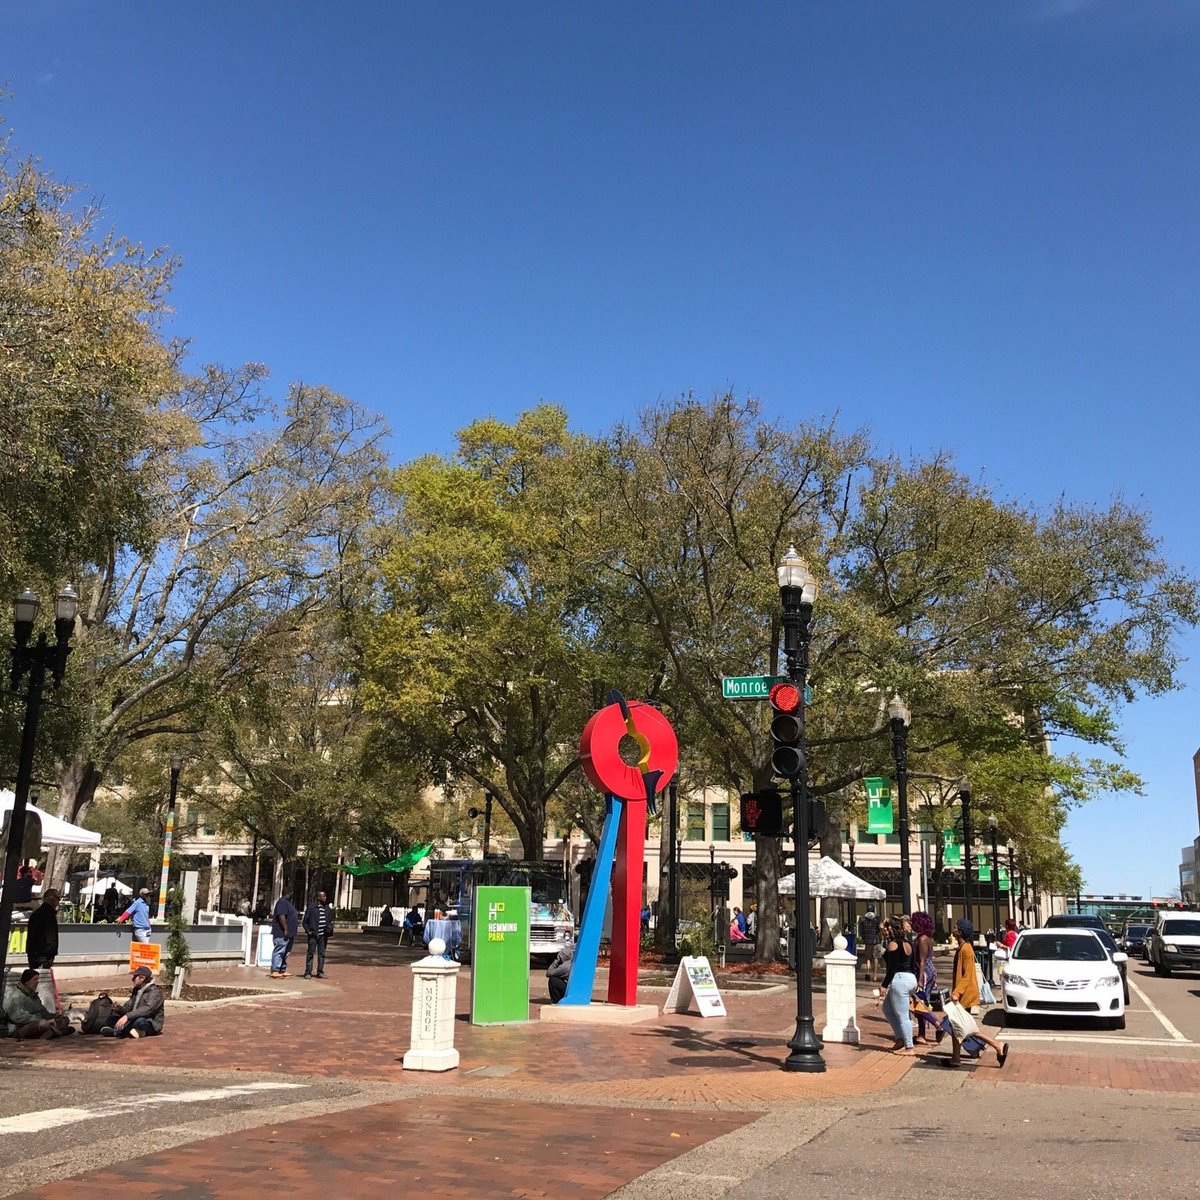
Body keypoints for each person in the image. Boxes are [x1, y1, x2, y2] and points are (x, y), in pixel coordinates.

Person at [945, 919, 1008, 1069]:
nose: (952, 929)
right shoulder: (963, 948)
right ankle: (956, 1058)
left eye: (955, 927)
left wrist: (956, 993)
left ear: (960, 932)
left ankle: (997, 1045)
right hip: (963, 993)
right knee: (957, 1027)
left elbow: (966, 976)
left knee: (966, 1028)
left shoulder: (966, 949)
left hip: (964, 995)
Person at [880, 917, 919, 1055]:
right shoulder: (908, 943)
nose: (884, 930)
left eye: (886, 927)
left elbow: (892, 967)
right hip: (910, 978)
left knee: (903, 1015)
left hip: (900, 979)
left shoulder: (893, 944)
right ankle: (900, 1038)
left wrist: (884, 985)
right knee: (887, 1008)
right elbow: (914, 963)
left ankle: (909, 1046)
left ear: (891, 929)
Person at [4, 969, 72, 1039]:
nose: (37, 982)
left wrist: (53, 1016)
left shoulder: (34, 995)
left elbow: (42, 1011)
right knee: (43, 1024)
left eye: (38, 980)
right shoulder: (16, 996)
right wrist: (38, 1019)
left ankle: (52, 1032)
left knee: (65, 1019)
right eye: (35, 980)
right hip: (20, 1027)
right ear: (27, 982)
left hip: (40, 1021)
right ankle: (55, 1032)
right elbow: (16, 1017)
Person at [101, 965, 165, 1038]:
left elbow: (148, 1009)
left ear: (142, 978)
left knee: (140, 1021)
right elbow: (128, 1007)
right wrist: (119, 1009)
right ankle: (137, 1031)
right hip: (133, 1018)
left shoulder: (155, 993)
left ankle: (117, 1032)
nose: (132, 979)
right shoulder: (137, 990)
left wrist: (127, 1016)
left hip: (150, 1023)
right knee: (111, 1019)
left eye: (135, 977)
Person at [26, 888, 62, 1014]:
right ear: (51, 898)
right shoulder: (48, 914)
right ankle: (44, 1012)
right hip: (43, 954)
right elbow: (51, 936)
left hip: (34, 953)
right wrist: (51, 953)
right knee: (42, 985)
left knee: (34, 983)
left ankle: (38, 1010)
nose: (59, 901)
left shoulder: (37, 913)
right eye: (58, 898)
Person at [910, 910, 938, 1043]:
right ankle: (922, 1034)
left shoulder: (922, 939)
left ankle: (937, 1025)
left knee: (918, 1003)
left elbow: (922, 960)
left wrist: (920, 980)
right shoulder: (925, 938)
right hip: (927, 971)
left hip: (924, 973)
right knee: (919, 1003)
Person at [302, 889, 334, 979]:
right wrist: (309, 931)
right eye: (323, 896)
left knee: (322, 954)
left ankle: (320, 971)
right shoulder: (312, 908)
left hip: (323, 936)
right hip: (313, 935)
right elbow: (305, 922)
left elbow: (330, 920)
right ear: (318, 897)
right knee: (310, 953)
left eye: (325, 896)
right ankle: (308, 972)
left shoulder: (327, 908)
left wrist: (329, 927)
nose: (325, 898)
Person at [270, 890, 299, 978]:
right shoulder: (282, 902)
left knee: (286, 952)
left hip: (290, 933)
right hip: (281, 933)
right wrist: (285, 929)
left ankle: (282, 969)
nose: (291, 895)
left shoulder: (288, 903)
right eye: (290, 893)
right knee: (279, 950)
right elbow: (281, 916)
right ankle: (275, 969)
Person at [858, 907, 881, 981]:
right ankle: (875, 975)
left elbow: (861, 932)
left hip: (867, 941)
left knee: (868, 958)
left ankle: (867, 973)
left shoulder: (863, 921)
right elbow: (878, 930)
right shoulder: (876, 920)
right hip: (875, 941)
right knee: (875, 958)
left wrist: (864, 938)